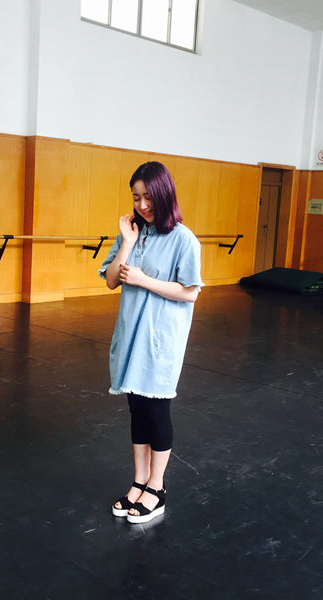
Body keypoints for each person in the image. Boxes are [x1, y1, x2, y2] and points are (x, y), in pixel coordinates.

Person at [98, 161, 203, 524]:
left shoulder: (184, 240)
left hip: (159, 341)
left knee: (157, 412)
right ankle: (139, 481)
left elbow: (190, 292)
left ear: (164, 195)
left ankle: (156, 488)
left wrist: (144, 280)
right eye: (136, 197)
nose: (142, 205)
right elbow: (111, 280)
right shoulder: (132, 232)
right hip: (130, 336)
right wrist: (127, 243)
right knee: (137, 410)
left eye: (148, 197)